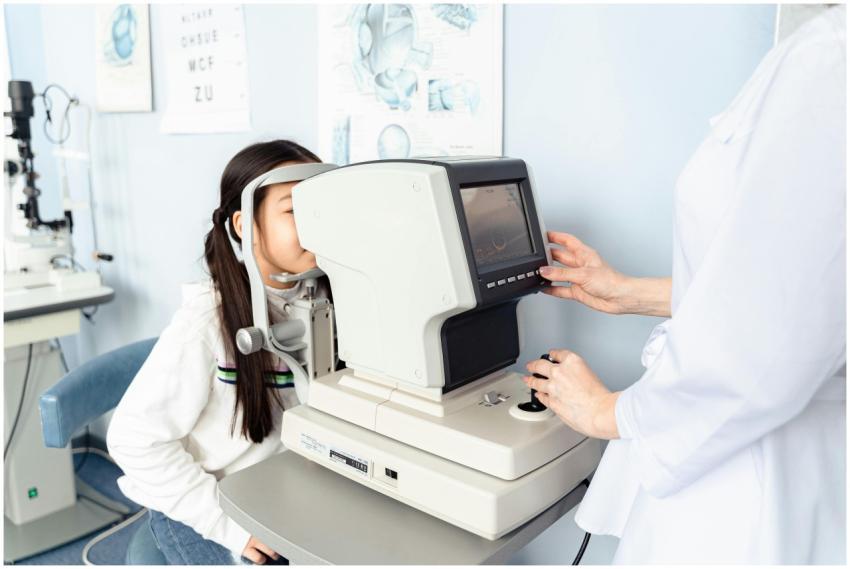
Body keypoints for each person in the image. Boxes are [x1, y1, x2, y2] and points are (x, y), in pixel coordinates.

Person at [524, 7, 845, 564]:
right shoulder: (821, 51)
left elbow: (763, 349)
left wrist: (609, 413)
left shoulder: (831, 60)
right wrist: (629, 292)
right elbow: (804, 289)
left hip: (744, 486)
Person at [107, 140, 326, 565]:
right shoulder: (207, 322)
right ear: (246, 225)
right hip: (210, 504)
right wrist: (228, 526)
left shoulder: (326, 300)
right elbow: (133, 441)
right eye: (294, 210)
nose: (317, 223)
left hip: (284, 492)